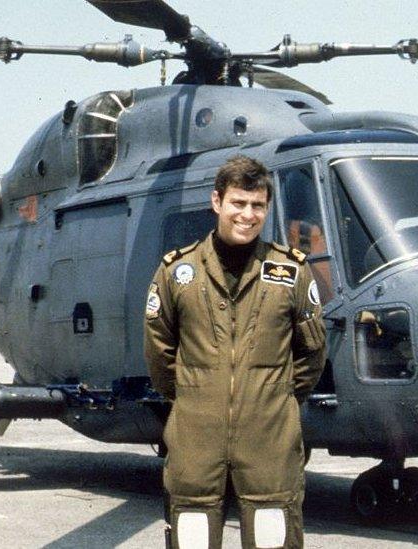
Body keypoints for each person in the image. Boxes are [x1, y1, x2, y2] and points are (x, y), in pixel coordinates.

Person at [144, 155, 327, 549]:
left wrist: (275, 398)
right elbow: (159, 352)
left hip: (270, 440)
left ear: (267, 208)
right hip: (196, 438)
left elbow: (312, 352)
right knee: (191, 536)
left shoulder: (290, 271)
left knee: (272, 537)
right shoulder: (178, 272)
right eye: (238, 203)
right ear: (217, 202)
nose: (247, 215)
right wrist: (195, 396)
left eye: (257, 205)